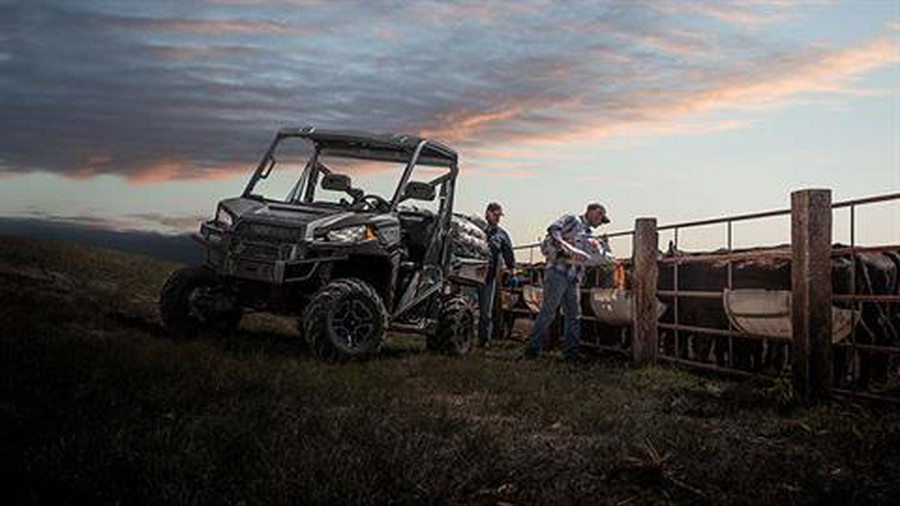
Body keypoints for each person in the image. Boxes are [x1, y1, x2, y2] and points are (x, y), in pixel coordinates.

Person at [523, 203, 611, 361]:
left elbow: (590, 257)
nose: (600, 221)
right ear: (591, 211)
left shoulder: (590, 236)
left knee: (574, 315)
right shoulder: (573, 220)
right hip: (558, 272)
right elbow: (553, 229)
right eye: (600, 216)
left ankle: (571, 353)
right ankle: (532, 350)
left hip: (573, 277)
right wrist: (565, 246)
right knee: (549, 311)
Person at [480, 202, 516, 347]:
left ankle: (484, 340)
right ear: (487, 213)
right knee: (466, 306)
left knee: (486, 311)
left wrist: (512, 270)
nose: (498, 218)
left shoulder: (502, 235)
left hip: (489, 277)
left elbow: (508, 253)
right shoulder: (477, 230)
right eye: (495, 215)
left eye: (499, 216)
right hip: (471, 275)